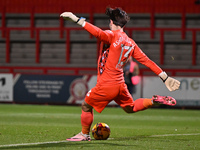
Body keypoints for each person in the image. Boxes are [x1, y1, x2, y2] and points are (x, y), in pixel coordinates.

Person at [60, 7, 180, 141]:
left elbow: (98, 33)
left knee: (86, 105)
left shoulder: (111, 35)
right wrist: (165, 77)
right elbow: (147, 61)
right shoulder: (130, 42)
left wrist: (75, 19)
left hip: (106, 84)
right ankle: (153, 101)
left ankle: (84, 134)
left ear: (111, 22)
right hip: (120, 84)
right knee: (131, 107)